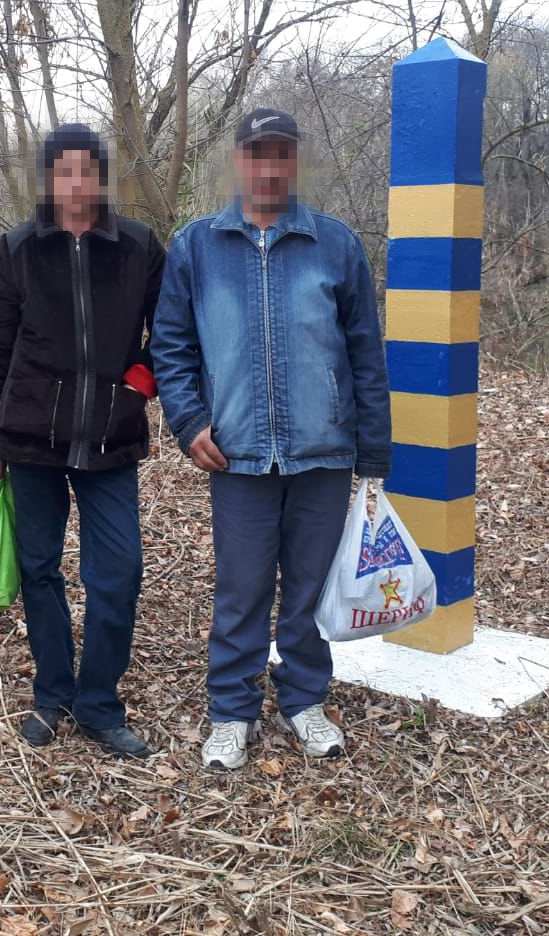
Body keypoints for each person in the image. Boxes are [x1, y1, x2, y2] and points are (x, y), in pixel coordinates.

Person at [151, 107, 392, 770]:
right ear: (237, 162)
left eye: (280, 154)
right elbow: (170, 347)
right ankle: (230, 711)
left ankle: (302, 700)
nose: (268, 167)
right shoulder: (196, 246)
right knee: (241, 587)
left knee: (310, 586)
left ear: (294, 162)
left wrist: (372, 451)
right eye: (256, 154)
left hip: (322, 448)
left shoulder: (334, 244)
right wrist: (189, 421)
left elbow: (365, 350)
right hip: (237, 454)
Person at [0, 123, 165, 759]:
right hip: (31, 440)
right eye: (64, 172)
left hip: (111, 438)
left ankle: (100, 704)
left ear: (101, 177)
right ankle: (52, 695)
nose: (76, 183)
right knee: (39, 570)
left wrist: (135, 387)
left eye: (87, 170)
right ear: (48, 179)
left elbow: (169, 332)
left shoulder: (136, 246)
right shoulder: (20, 248)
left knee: (120, 570)